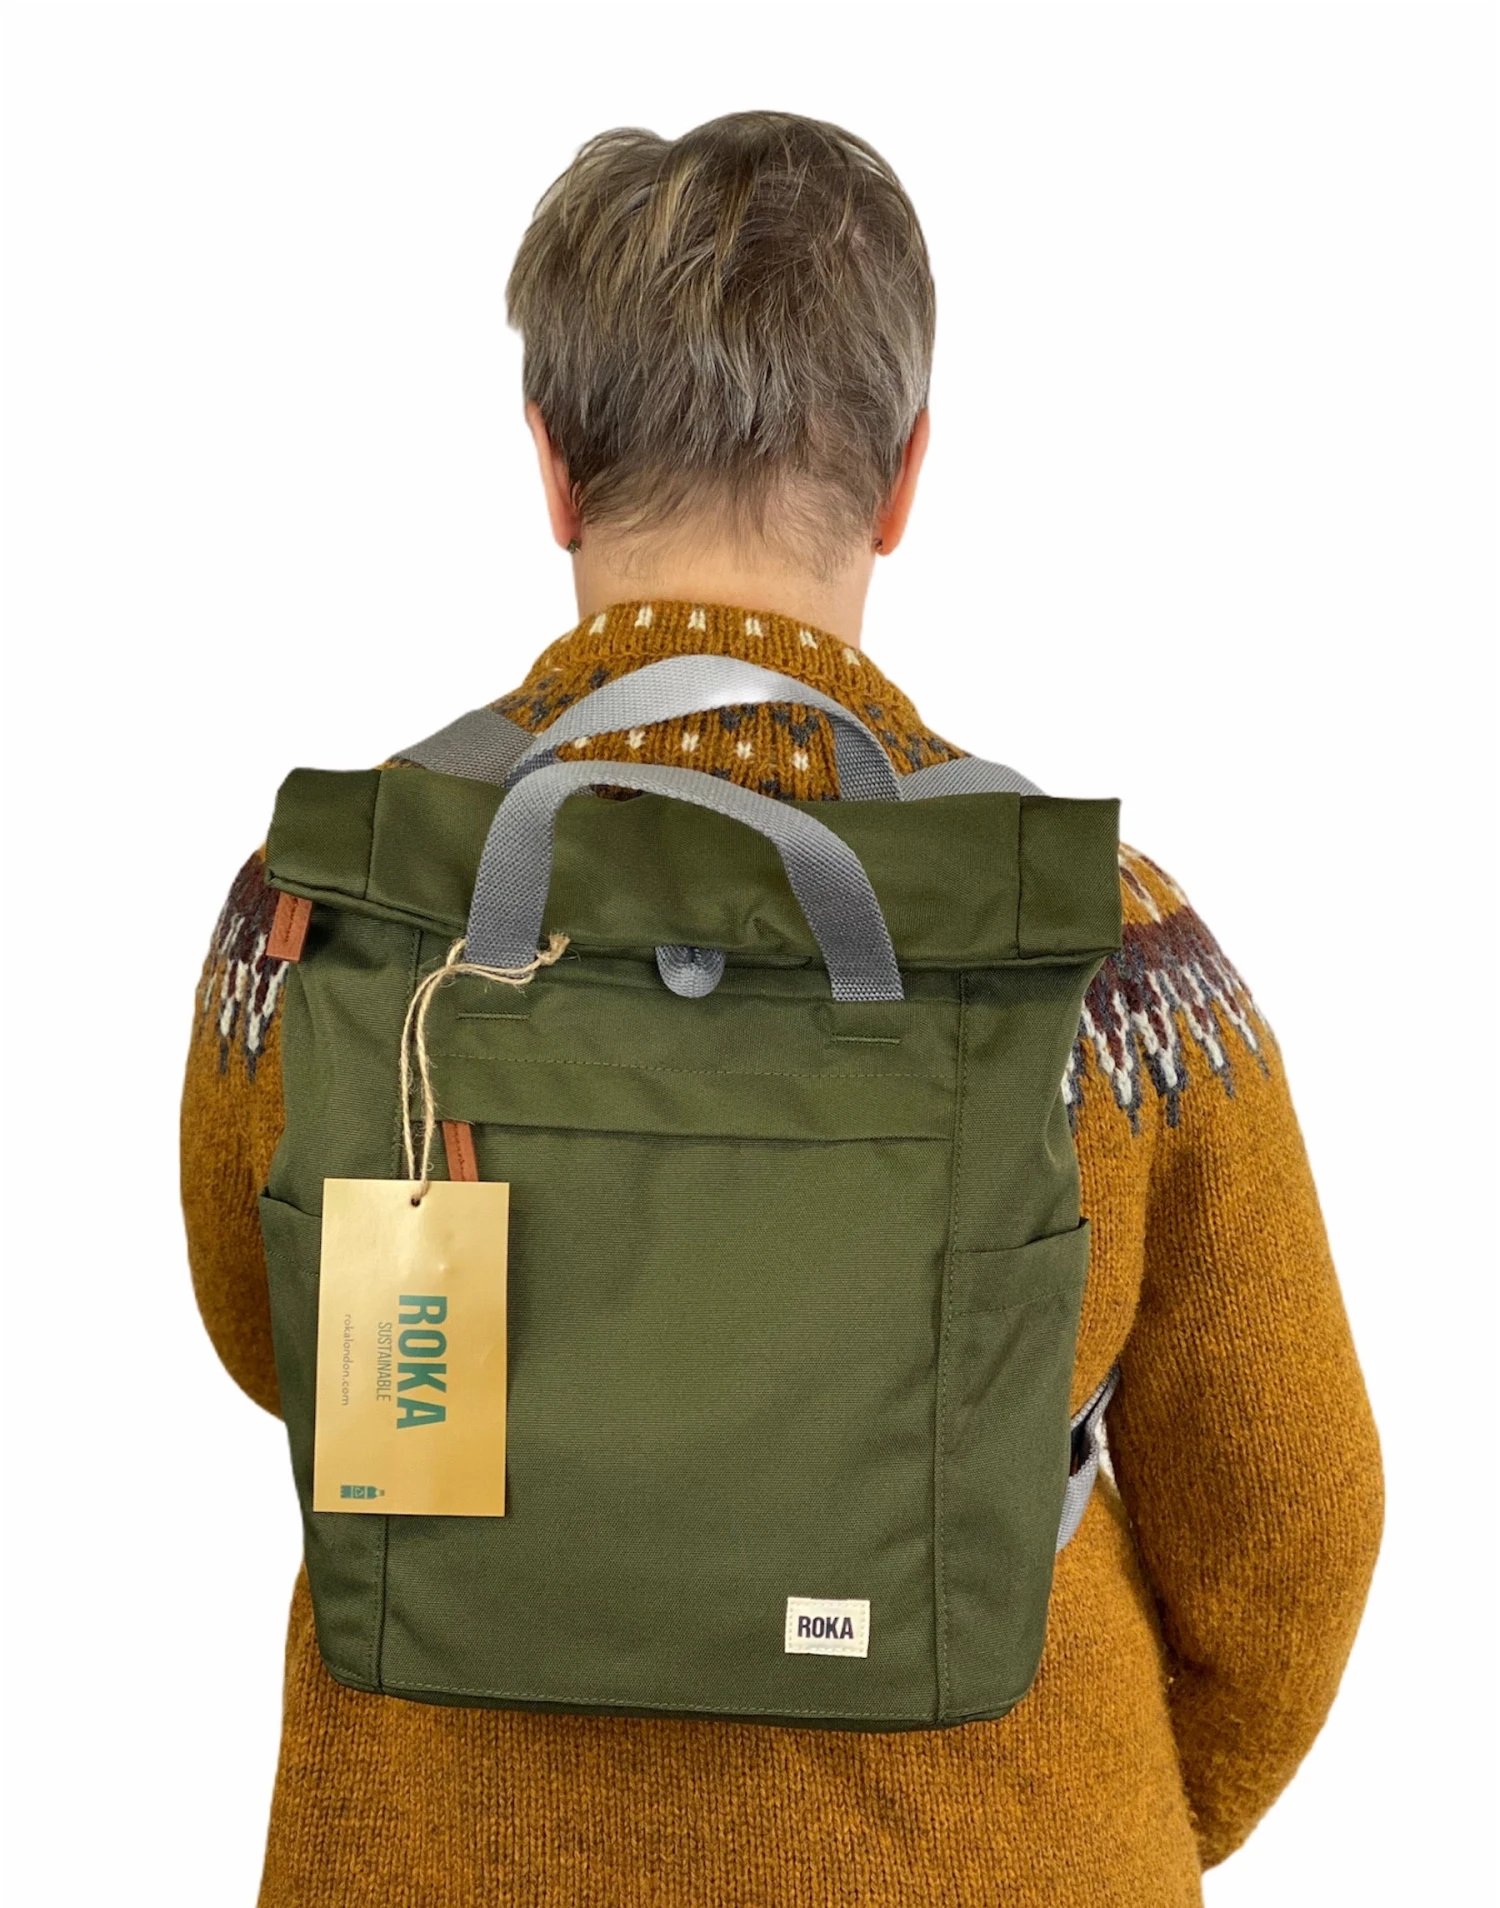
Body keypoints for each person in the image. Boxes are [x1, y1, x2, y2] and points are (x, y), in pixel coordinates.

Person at [182, 111, 1383, 1908]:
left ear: (551, 466)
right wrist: (1109, 1821)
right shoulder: (1109, 955)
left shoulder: (322, 917)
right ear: (904, 476)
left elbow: (276, 1344)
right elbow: (1294, 1533)